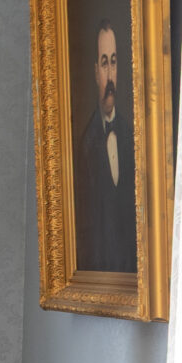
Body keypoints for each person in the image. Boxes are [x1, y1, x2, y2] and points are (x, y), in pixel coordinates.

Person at [73, 16, 136, 273]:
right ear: (95, 73)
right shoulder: (84, 146)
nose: (110, 75)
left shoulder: (133, 137)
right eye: (103, 64)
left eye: (113, 62)